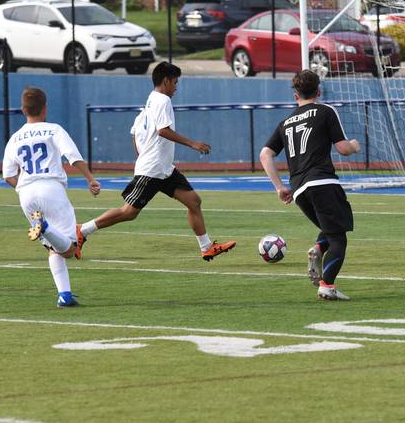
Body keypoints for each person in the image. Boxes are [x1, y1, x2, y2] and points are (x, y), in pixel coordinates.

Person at [77, 61, 236, 261]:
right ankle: (82, 230)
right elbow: (163, 130)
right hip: (153, 170)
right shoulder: (162, 101)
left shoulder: (150, 102)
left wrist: (142, 154)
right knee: (128, 212)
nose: (176, 87)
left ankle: (206, 247)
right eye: (175, 82)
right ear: (166, 81)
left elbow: (135, 132)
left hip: (164, 169)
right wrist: (192, 144)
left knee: (194, 201)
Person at [260, 70, 360, 301]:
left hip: (299, 190)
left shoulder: (285, 123)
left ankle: (317, 248)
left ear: (295, 96)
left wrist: (279, 187)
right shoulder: (325, 110)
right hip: (323, 182)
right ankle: (327, 285)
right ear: (318, 91)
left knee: (330, 228)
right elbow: (343, 148)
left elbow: (265, 154)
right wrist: (354, 145)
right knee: (338, 238)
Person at [2, 87, 100, 308]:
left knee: (52, 248)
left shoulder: (15, 137)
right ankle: (44, 227)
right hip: (51, 189)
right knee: (69, 250)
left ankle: (64, 295)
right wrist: (90, 179)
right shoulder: (53, 129)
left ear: (23, 110)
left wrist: (23, 189)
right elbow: (73, 156)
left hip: (26, 194)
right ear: (45, 109)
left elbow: (8, 175)